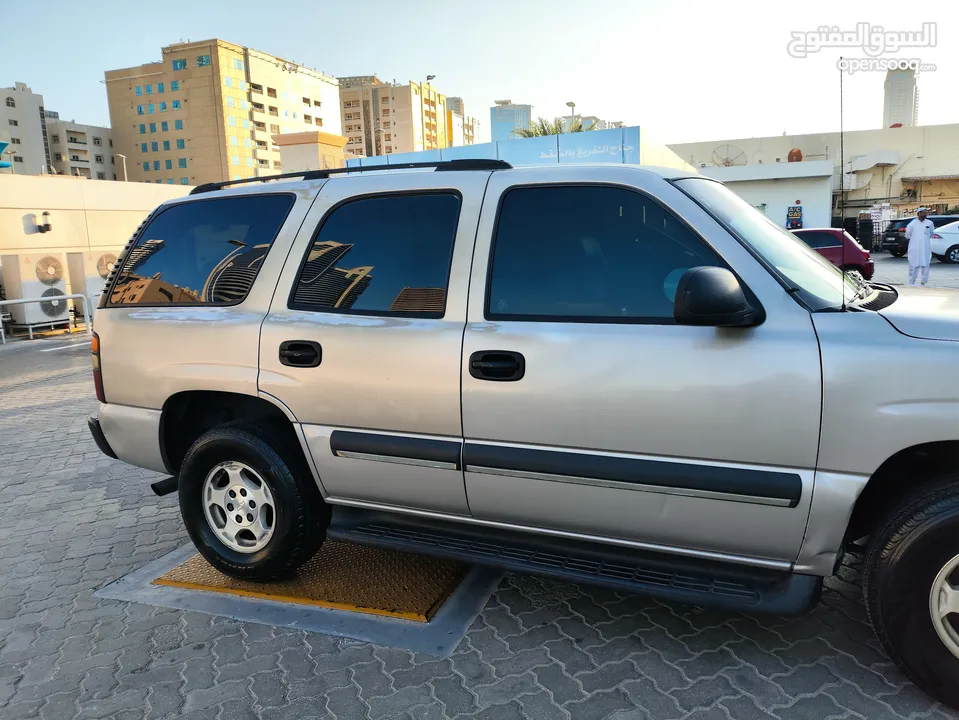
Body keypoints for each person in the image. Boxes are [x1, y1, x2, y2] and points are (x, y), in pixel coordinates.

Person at [905, 207, 935, 286]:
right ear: (918, 214)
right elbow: (908, 235)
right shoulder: (912, 224)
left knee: (925, 264)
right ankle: (911, 283)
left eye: (926, 213)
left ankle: (923, 282)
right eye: (923, 213)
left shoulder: (929, 223)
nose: (925, 214)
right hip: (914, 248)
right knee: (913, 265)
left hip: (925, 247)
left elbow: (931, 233)